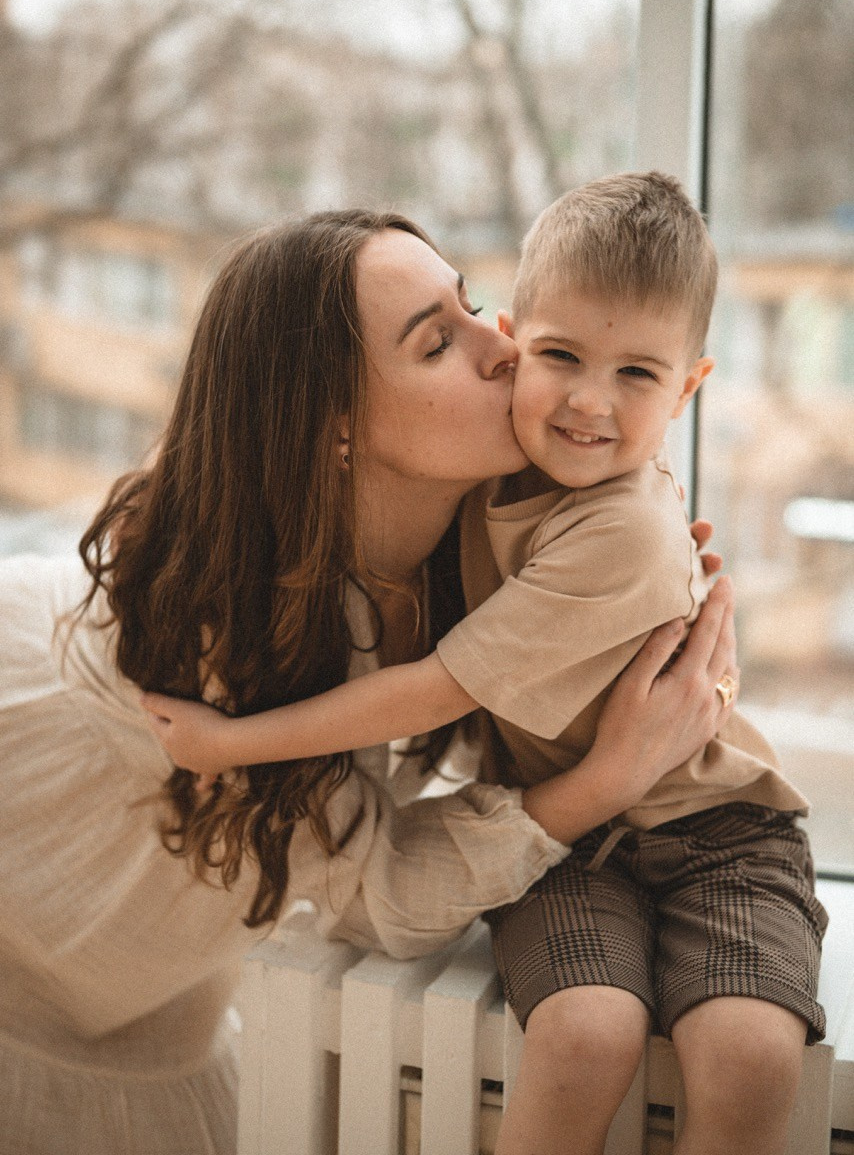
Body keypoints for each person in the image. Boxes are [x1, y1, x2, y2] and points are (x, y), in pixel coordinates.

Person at [0, 207, 737, 1155]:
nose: (504, 344)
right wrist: (606, 782)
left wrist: (656, 615)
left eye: (473, 306)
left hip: (147, 1004)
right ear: (335, 429)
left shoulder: (478, 541)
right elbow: (381, 888)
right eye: (440, 342)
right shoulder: (221, 646)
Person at [144, 178, 827, 1155]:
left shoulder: (621, 527)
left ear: (686, 386)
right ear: (522, 336)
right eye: (557, 355)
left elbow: (438, 687)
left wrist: (232, 742)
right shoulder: (492, 475)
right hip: (565, 825)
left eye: (637, 373)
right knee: (584, 1033)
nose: (586, 398)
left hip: (717, 830)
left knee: (749, 1054)